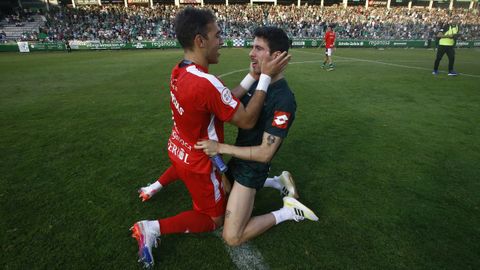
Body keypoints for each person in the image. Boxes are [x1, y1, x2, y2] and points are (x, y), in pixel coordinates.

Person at [130, 7, 290, 269]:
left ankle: (155, 186)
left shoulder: (180, 71)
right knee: (214, 219)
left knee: (224, 187)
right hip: (201, 162)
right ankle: (153, 229)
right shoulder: (206, 83)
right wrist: (264, 78)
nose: (221, 41)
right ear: (200, 41)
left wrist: (252, 76)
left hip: (179, 147)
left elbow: (221, 101)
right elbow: (247, 119)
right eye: (217, 35)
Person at [195, 26, 318, 247]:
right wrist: (252, 76)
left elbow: (265, 153)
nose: (251, 53)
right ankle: (276, 181)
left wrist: (220, 148)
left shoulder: (283, 99)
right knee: (216, 206)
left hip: (252, 168)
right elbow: (224, 106)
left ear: (277, 56)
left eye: (258, 48)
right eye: (252, 47)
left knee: (232, 236)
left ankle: (287, 211)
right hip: (239, 159)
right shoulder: (259, 83)